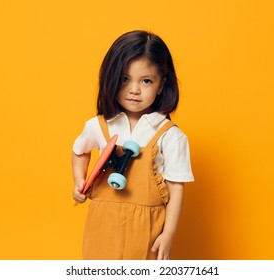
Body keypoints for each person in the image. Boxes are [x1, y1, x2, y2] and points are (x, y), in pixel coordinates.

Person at [72, 30, 194, 260]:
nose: (134, 89)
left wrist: (168, 234)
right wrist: (79, 180)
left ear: (161, 85)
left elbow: (177, 188)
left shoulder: (170, 136)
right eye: (125, 79)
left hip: (148, 230)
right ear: (111, 78)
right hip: (102, 226)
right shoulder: (100, 125)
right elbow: (80, 150)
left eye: (146, 81)